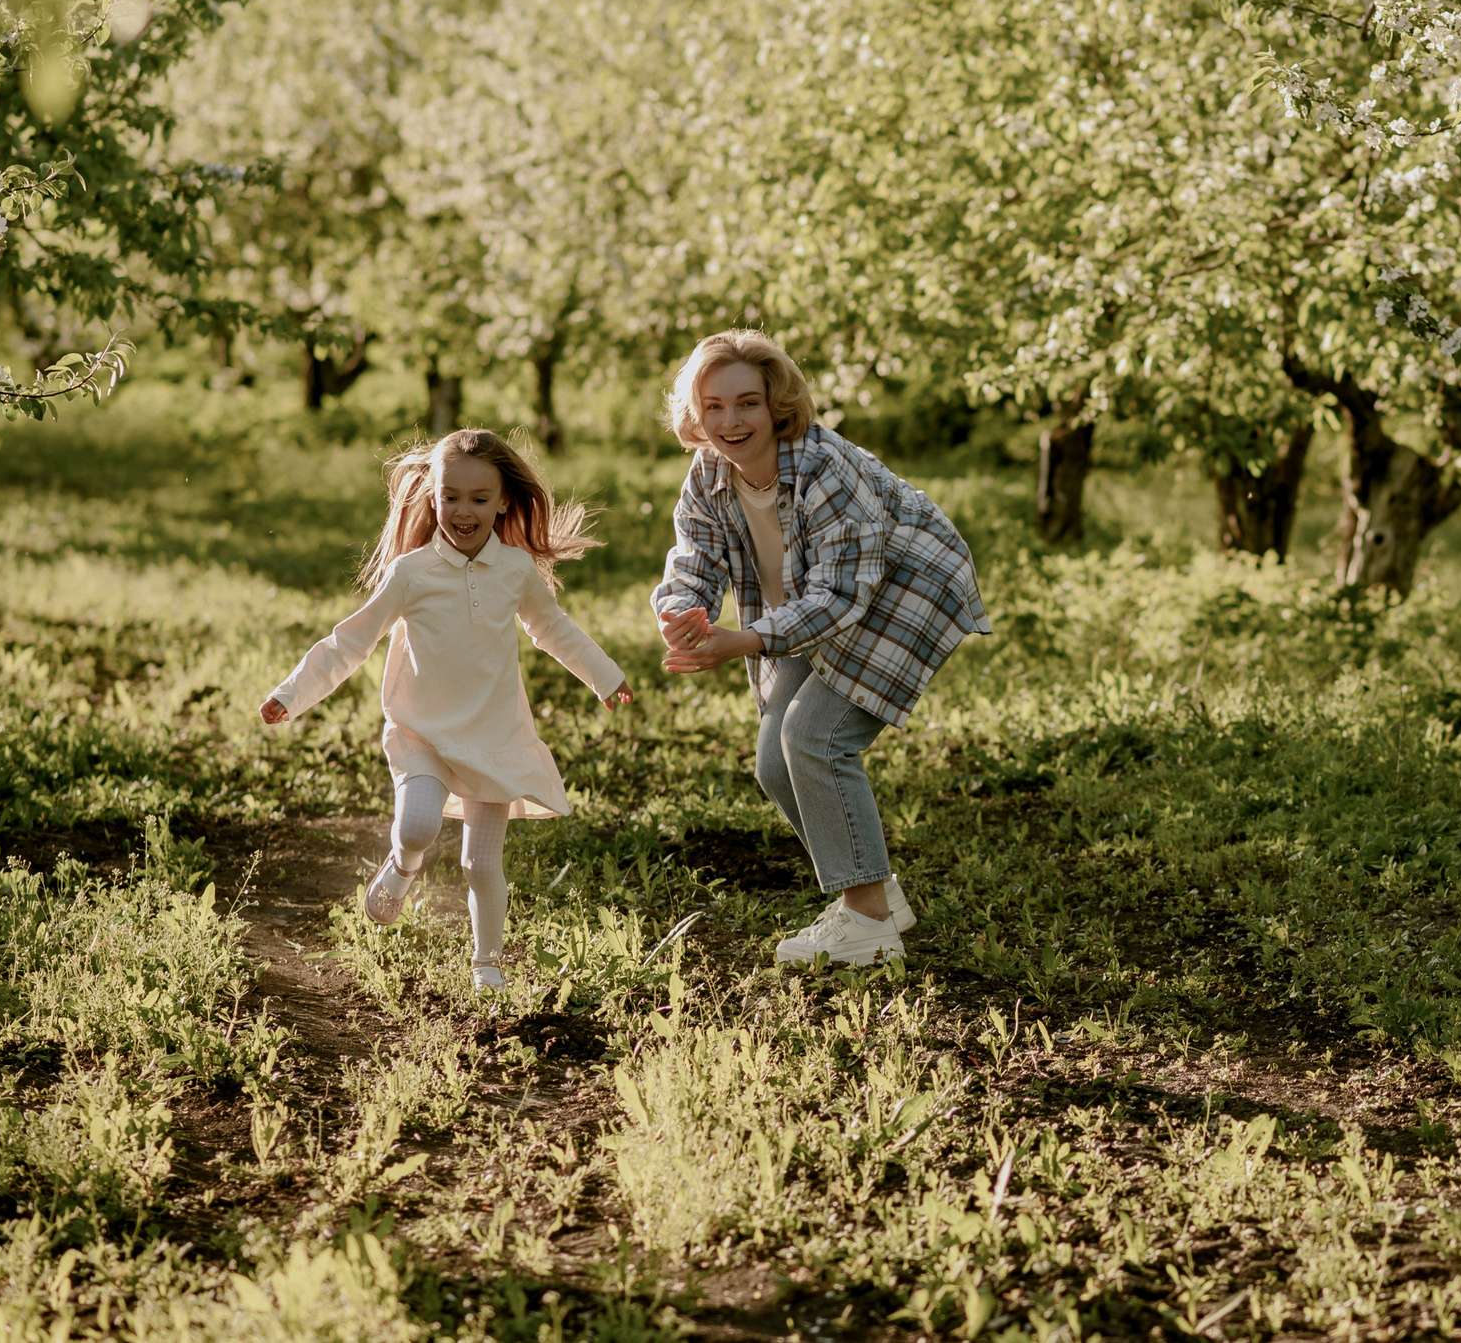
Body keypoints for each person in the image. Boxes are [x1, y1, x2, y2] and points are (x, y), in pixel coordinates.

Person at [652, 330, 991, 968]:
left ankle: (864, 923)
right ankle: (877, 896)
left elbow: (843, 597)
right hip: (806, 608)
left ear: (776, 402)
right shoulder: (707, 476)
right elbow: (693, 560)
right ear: (695, 415)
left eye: (747, 402)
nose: (731, 421)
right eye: (714, 406)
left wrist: (742, 642)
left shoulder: (823, 466)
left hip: (900, 588)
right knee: (775, 762)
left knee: (815, 735)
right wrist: (682, 610)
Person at [261, 429, 631, 991]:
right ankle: (403, 868)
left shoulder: (514, 571)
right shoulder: (410, 573)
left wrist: (605, 676)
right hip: (422, 734)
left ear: (504, 501)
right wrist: (292, 693)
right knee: (416, 826)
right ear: (430, 495)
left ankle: (487, 964)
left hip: (493, 737)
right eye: (450, 496)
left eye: (479, 499)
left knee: (481, 865)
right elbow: (350, 642)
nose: (463, 511)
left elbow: (553, 629)